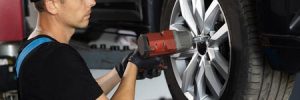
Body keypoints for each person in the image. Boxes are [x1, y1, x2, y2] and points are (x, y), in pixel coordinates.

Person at [16, 0, 162, 100]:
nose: (92, 2)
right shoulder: (57, 56)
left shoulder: (31, 48)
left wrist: (120, 71)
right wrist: (133, 65)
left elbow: (81, 92)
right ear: (52, 4)